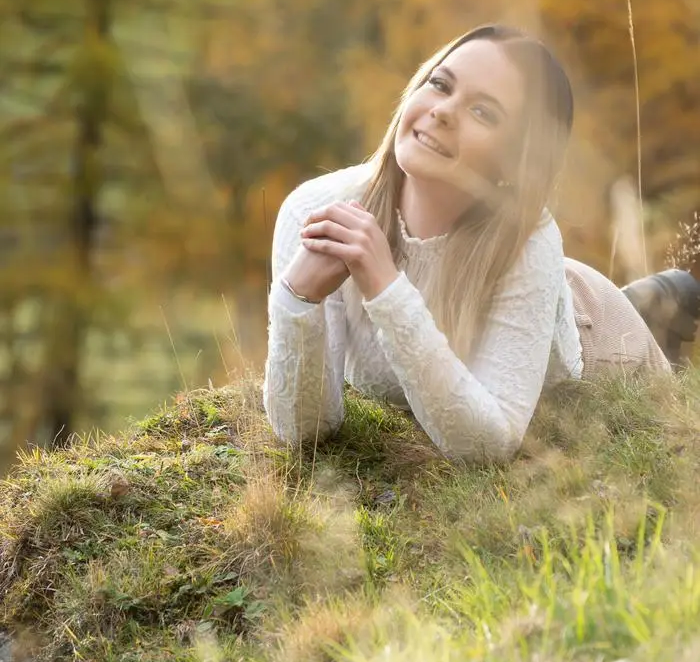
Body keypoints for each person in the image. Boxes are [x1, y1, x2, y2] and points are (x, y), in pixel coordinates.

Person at [263, 25, 699, 461]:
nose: (444, 111)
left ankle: (651, 309)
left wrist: (385, 286)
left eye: (483, 112)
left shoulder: (529, 241)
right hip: (533, 291)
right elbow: (305, 432)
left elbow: (489, 445)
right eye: (440, 84)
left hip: (593, 331)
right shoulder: (314, 211)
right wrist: (295, 299)